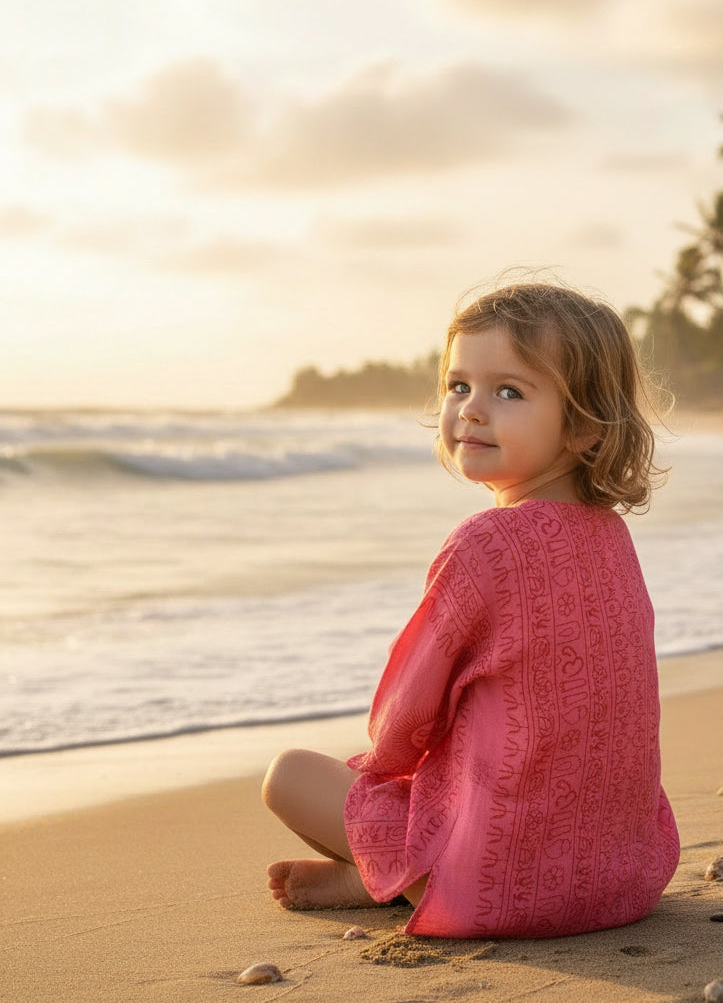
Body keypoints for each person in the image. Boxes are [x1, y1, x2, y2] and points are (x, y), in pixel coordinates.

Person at [262, 280, 680, 938]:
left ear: (584, 426)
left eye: (508, 391)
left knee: (289, 775)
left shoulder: (484, 543)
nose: (472, 410)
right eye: (459, 386)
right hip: (622, 878)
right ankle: (382, 879)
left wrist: (385, 778)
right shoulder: (611, 536)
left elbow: (400, 725)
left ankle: (402, 879)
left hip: (499, 889)